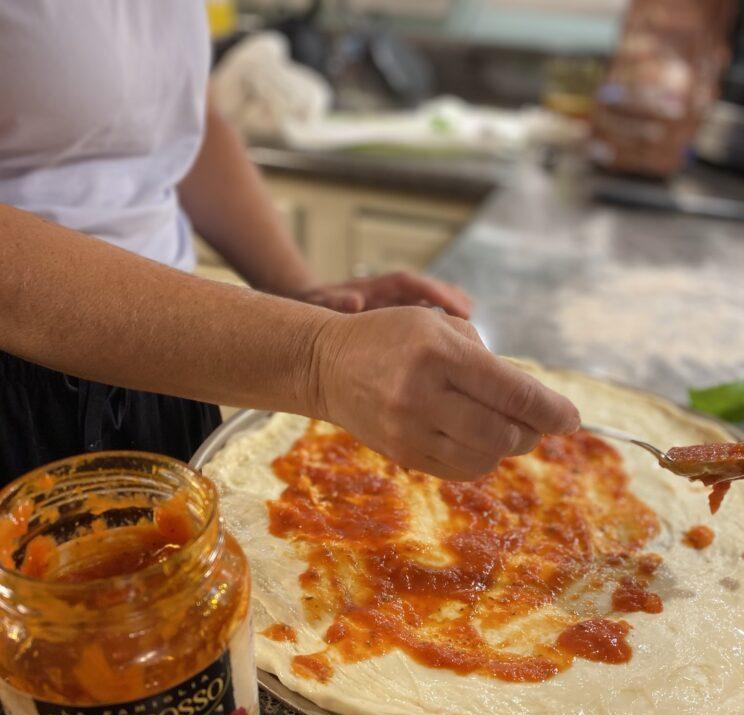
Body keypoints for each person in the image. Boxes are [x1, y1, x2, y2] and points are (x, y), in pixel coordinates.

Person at [0, 1, 579, 488]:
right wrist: (319, 358)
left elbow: (178, 120)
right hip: (20, 386)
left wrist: (302, 292)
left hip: (168, 358)